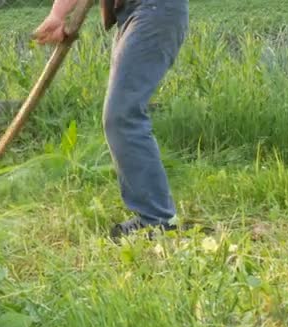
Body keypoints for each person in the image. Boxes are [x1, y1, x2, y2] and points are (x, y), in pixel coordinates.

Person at [33, 0, 189, 239]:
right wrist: (60, 14)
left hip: (153, 9)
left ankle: (157, 221)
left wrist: (58, 13)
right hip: (136, 12)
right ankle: (155, 217)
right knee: (121, 115)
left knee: (123, 115)